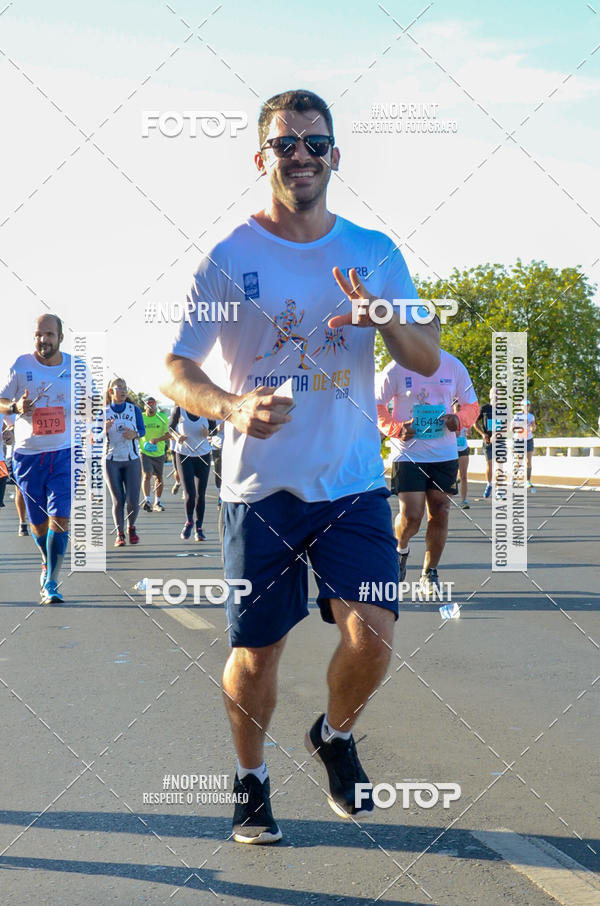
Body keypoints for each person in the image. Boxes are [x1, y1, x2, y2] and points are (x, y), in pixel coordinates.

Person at [160, 89, 440, 845]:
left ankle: (334, 735)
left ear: (335, 156)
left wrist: (382, 315)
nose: (302, 156)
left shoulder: (374, 252)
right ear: (262, 159)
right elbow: (176, 367)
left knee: (374, 631)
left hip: (350, 482)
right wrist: (229, 407)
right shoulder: (228, 259)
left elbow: (428, 354)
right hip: (261, 490)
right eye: (285, 145)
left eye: (315, 144)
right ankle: (251, 779)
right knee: (255, 658)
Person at [376, 339, 479, 593]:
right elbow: (375, 405)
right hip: (408, 455)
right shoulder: (396, 367)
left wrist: (459, 419)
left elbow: (472, 406)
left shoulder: (453, 366)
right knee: (412, 517)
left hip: (444, 455)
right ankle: (401, 549)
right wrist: (396, 429)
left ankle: (429, 572)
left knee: (441, 510)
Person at [0, 314, 74, 604]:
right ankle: (46, 559)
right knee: (39, 524)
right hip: (28, 455)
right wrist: (16, 405)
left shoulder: (76, 367)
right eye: (39, 335)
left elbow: (91, 404)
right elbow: (1, 400)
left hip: (63, 453)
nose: (43, 340)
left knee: (61, 517)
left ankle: (52, 581)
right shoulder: (21, 365)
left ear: (60, 338)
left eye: (49, 335)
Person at [103, 378, 145, 546]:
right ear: (110, 391)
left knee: (133, 500)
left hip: (131, 459)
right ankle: (120, 534)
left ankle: (131, 526)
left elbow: (142, 430)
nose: (122, 390)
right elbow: (93, 437)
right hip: (111, 460)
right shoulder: (103, 412)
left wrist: (134, 434)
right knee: (118, 500)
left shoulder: (134, 410)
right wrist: (103, 429)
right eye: (118, 387)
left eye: (124, 388)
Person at [169, 406, 211, 541]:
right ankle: (189, 522)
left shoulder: (207, 410)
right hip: (184, 455)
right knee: (190, 493)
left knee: (200, 493)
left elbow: (214, 431)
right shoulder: (179, 410)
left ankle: (199, 528)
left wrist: (208, 433)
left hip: (203, 455)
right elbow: (170, 428)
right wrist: (177, 436)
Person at [140, 397, 170, 512]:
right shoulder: (141, 417)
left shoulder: (162, 418)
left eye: (153, 404)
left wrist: (158, 439)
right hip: (145, 451)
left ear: (155, 405)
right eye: (148, 404)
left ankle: (157, 502)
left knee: (158, 478)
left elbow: (169, 434)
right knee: (147, 475)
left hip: (159, 452)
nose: (150, 406)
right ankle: (147, 501)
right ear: (145, 406)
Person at [474, 387, 496, 498]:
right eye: (494, 393)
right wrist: (483, 434)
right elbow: (475, 422)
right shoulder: (485, 408)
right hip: (487, 440)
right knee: (489, 464)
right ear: (490, 395)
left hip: (499, 441)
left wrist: (497, 435)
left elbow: (507, 425)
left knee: (500, 465)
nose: (497, 395)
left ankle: (500, 489)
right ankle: (489, 484)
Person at [513, 400, 536, 493]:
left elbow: (533, 428)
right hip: (519, 440)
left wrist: (532, 426)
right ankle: (514, 478)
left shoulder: (531, 416)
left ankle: (528, 481)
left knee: (528, 461)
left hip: (529, 440)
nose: (527, 407)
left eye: (528, 405)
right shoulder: (517, 416)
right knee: (519, 461)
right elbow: (512, 428)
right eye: (525, 405)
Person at [454, 400, 471, 508]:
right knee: (450, 477)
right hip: (452, 450)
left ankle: (464, 500)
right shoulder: (450, 419)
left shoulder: (466, 419)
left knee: (464, 476)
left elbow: (469, 433)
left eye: (461, 407)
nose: (459, 408)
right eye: (457, 407)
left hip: (463, 448)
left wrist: (469, 430)